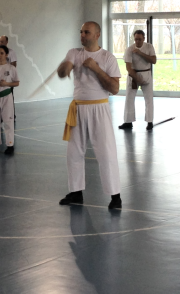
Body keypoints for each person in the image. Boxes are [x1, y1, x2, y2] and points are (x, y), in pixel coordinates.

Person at [58, 22, 122, 209]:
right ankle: (76, 192)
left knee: (106, 152)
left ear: (97, 35)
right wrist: (65, 68)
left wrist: (96, 68)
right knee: (73, 152)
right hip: (78, 108)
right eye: (81, 32)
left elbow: (115, 88)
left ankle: (115, 196)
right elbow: (63, 71)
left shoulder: (107, 57)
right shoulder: (74, 53)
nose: (82, 35)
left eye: (86, 32)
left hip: (99, 108)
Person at [119, 29, 157, 131]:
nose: (137, 41)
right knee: (129, 98)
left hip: (146, 74)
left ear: (144, 38)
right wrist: (136, 77)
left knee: (149, 99)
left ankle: (149, 121)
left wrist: (140, 53)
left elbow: (154, 60)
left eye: (139, 39)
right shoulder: (129, 49)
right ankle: (128, 122)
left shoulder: (149, 47)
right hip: (133, 75)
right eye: (136, 39)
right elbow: (128, 67)